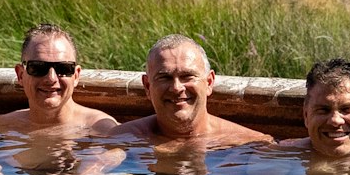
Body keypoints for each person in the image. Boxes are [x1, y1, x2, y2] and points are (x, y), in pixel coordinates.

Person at [114, 36, 271, 149]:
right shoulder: (123, 138)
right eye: (164, 77)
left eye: (187, 76)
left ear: (209, 82)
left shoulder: (249, 143)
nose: (176, 87)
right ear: (147, 87)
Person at [0, 24, 118, 135]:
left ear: (76, 76)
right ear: (20, 75)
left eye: (63, 68)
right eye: (38, 68)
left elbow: (106, 162)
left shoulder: (102, 129)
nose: (51, 78)